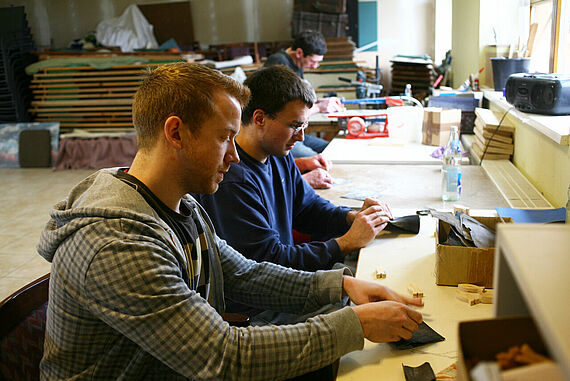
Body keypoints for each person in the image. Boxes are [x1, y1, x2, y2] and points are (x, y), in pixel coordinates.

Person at [36, 62, 422, 380]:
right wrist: (356, 324)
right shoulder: (117, 244)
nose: (235, 157)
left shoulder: (178, 203)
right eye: (225, 138)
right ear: (176, 133)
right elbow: (224, 358)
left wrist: (343, 285)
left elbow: (243, 274)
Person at [195, 65, 394, 317]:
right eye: (295, 125)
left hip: (287, 284)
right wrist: (345, 243)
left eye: (304, 126)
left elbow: (307, 206)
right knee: (362, 312)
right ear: (259, 119)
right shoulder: (232, 180)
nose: (301, 137)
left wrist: (350, 218)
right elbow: (269, 262)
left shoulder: (277, 153)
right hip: (260, 309)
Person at [265, 30, 343, 188]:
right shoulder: (279, 64)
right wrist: (319, 107)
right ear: (299, 52)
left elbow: (298, 102)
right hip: (282, 134)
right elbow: (284, 110)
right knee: (318, 161)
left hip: (293, 130)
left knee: (331, 149)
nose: (315, 66)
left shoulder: (295, 65)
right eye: (313, 61)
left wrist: (322, 102)